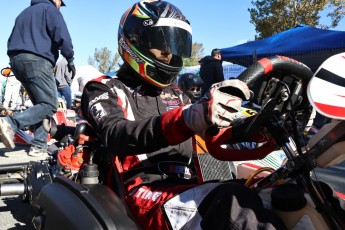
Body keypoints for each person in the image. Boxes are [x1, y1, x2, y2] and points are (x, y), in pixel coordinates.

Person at [81, 1, 286, 229]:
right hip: (142, 190)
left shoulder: (177, 95)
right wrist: (187, 118)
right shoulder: (103, 88)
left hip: (186, 185)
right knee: (232, 204)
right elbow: (116, 134)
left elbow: (213, 136)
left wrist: (260, 130)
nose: (171, 56)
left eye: (176, 47)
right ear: (134, 41)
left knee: (280, 194)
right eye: (163, 48)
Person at [0, 0, 76, 157]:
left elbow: (10, 39)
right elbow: (62, 34)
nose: (59, 6)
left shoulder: (23, 13)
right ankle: (10, 123)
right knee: (49, 104)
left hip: (16, 60)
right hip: (37, 61)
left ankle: (39, 145)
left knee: (40, 104)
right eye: (60, 3)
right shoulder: (50, 10)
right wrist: (70, 58)